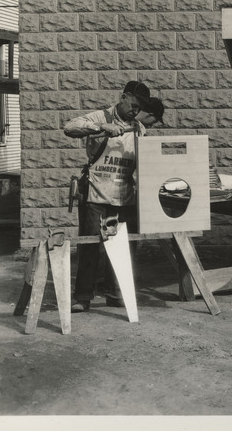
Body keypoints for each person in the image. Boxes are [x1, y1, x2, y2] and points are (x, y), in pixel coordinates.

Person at [63, 80, 151, 312]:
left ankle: (115, 293)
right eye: (133, 105)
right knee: (90, 247)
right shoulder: (100, 116)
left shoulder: (139, 129)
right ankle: (83, 297)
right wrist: (102, 127)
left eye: (139, 109)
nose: (135, 111)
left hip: (124, 196)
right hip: (96, 193)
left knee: (123, 247)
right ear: (123, 97)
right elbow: (70, 127)